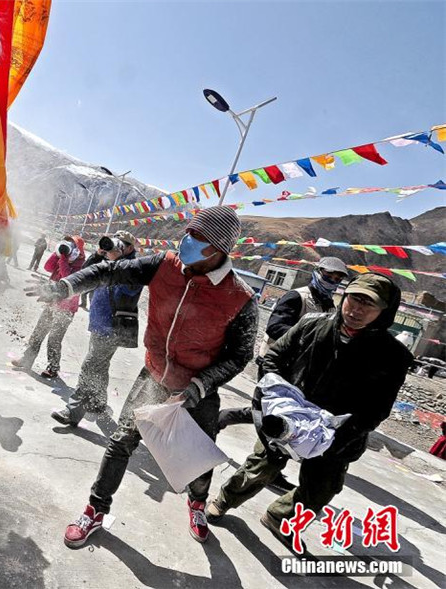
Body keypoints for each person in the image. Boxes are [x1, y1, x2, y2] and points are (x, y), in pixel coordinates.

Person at [30, 207, 257, 546]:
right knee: (121, 442)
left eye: (199, 238)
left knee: (195, 460)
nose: (187, 242)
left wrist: (199, 387)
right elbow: (109, 271)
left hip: (198, 391)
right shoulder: (163, 265)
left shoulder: (241, 298)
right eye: (188, 233)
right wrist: (66, 287)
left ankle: (197, 504)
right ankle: (95, 510)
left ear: (219, 249)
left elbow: (240, 356)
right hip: (152, 378)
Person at [205, 273, 414, 551]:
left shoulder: (393, 355)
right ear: (344, 297)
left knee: (321, 489)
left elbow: (378, 407)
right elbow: (274, 358)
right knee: (259, 468)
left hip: (338, 432)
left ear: (384, 312)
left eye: (369, 304)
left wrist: (343, 434)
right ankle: (224, 501)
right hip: (289, 419)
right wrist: (274, 397)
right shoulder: (311, 324)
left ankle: (279, 517)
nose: (357, 309)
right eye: (354, 299)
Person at [217, 256, 348, 491]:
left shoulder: (330, 306)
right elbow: (275, 327)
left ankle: (229, 420)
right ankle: (268, 467)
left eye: (338, 279)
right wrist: (308, 339)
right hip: (275, 365)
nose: (333, 281)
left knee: (282, 416)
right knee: (277, 416)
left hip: (301, 373)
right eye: (329, 276)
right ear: (317, 272)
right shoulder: (297, 297)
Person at [52, 231, 142, 426]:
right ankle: (98, 403)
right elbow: (83, 275)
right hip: (98, 324)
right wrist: (98, 254)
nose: (113, 246)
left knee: (90, 366)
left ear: (128, 248)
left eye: (120, 243)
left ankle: (73, 411)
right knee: (100, 366)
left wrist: (119, 260)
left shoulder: (134, 268)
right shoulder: (105, 262)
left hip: (113, 328)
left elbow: (129, 289)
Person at [12, 235, 86, 379]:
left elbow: (67, 279)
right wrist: (58, 254)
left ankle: (53, 368)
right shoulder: (63, 259)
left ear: (78, 250)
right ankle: (27, 359)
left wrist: (64, 259)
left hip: (66, 309)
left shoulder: (80, 266)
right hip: (53, 303)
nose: (68, 248)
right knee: (38, 332)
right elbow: (48, 267)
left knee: (54, 339)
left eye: (72, 245)